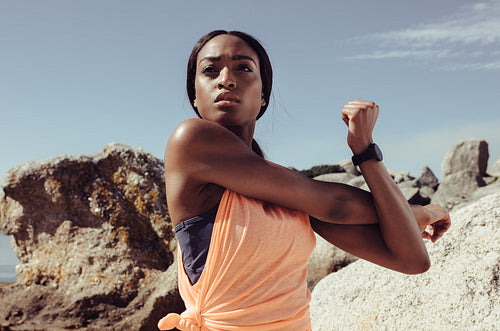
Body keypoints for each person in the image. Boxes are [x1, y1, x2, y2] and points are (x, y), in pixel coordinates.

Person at [158, 30, 450, 331]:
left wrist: (365, 149)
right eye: (210, 70)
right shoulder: (192, 141)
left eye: (243, 68)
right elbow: (338, 205)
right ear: (195, 95)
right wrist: (420, 209)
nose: (226, 79)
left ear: (263, 96)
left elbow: (413, 260)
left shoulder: (292, 199)